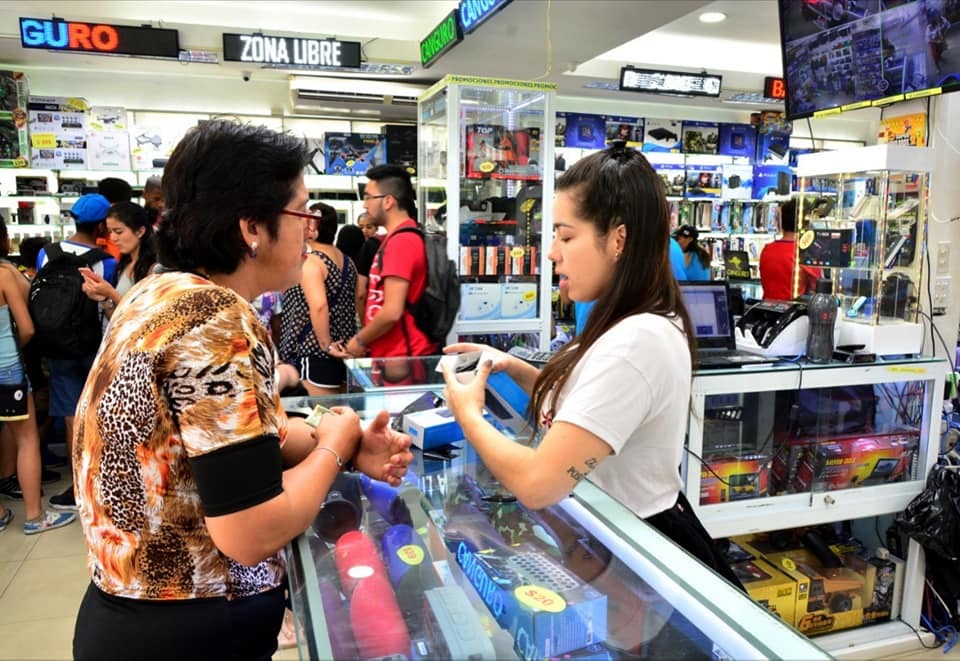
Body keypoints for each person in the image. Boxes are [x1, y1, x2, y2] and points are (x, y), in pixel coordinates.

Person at [71, 119, 411, 660]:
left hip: (139, 616)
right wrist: (335, 442)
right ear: (251, 227)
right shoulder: (216, 319)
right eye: (302, 212)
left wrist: (332, 442)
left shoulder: (161, 292)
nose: (311, 229)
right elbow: (250, 533)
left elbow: (228, 441)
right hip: (187, 628)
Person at [440, 142, 744, 592]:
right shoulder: (627, 321)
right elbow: (592, 407)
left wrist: (467, 411)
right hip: (612, 545)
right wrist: (511, 366)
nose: (552, 254)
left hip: (638, 559)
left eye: (565, 237)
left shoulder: (636, 340)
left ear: (617, 239)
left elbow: (538, 482)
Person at [36, 194, 117, 511]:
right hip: (94, 344)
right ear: (101, 225)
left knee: (72, 417)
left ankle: (77, 487)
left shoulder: (47, 253)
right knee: (100, 414)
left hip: (57, 345)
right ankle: (103, 481)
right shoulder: (105, 260)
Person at [0, 214, 75, 535]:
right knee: (28, 438)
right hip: (7, 368)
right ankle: (35, 516)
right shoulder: (4, 275)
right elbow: (27, 328)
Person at [330, 165, 432, 363]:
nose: (365, 205)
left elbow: (392, 311)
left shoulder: (401, 242)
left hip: (403, 361)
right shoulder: (394, 239)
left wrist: (359, 340)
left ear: (388, 201)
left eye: (368, 197)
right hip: (394, 358)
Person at [279, 202, 358, 395]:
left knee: (315, 419)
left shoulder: (311, 262)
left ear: (313, 228)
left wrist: (326, 344)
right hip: (343, 354)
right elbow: (353, 302)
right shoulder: (348, 262)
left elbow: (319, 305)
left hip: (313, 354)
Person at [79, 202, 157, 317]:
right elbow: (117, 318)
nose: (113, 238)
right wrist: (104, 298)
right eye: (110, 232)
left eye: (119, 232)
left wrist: (111, 293)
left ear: (140, 231)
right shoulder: (124, 265)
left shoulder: (155, 269)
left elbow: (145, 318)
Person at [759, 198, 821, 300]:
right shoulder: (807, 252)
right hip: (794, 313)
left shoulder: (767, 250)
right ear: (806, 223)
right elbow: (818, 291)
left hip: (767, 311)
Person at [353, 211, 382, 318]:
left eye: (369, 227)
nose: (364, 231)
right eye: (361, 227)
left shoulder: (376, 246)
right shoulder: (357, 246)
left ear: (376, 228)